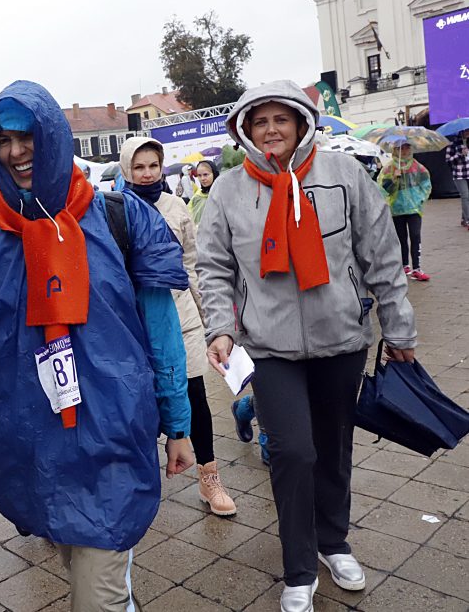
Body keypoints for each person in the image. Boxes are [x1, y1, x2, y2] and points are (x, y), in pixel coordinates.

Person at [0, 81, 193, 610]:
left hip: (111, 435)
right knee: (79, 560)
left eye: (27, 135)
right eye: (3, 141)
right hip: (30, 439)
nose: (16, 151)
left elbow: (161, 334)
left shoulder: (120, 218)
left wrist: (178, 425)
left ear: (53, 137)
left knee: (96, 590)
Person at [196, 80, 417, 612]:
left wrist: (399, 328)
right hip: (267, 346)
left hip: (342, 338)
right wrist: (221, 328)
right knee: (293, 452)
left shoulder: (343, 175)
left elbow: (381, 256)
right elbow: (214, 268)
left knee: (335, 447)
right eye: (260, 122)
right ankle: (299, 567)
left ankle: (334, 542)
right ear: (245, 131)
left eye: (281, 119)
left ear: (300, 123)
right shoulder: (228, 190)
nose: (271, 130)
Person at [118, 138, 235, 517]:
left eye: (153, 165)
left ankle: (209, 477)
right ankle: (140, 480)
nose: (147, 173)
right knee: (138, 402)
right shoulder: (116, 210)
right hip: (137, 323)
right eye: (139, 167)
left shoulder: (177, 206)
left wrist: (211, 322)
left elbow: (192, 265)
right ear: (126, 171)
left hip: (181, 316)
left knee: (194, 395)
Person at [377, 142, 432, 281]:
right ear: (395, 150)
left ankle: (417, 268)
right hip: (397, 209)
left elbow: (426, 184)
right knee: (401, 239)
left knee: (415, 236)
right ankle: (404, 265)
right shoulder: (388, 168)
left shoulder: (417, 167)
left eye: (407, 147)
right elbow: (382, 189)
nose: (405, 150)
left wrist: (420, 200)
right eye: (401, 148)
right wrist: (393, 179)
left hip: (414, 209)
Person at [443, 128, 469, 229]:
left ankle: (463, 218)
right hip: (459, 174)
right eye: (466, 131)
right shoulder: (452, 145)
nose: (468, 133)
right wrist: (459, 154)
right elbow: (448, 161)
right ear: (461, 132)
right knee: (465, 196)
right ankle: (467, 220)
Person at [189, 160, 218, 226]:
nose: (202, 178)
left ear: (214, 173)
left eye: (205, 175)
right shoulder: (197, 196)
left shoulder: (221, 194)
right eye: (199, 175)